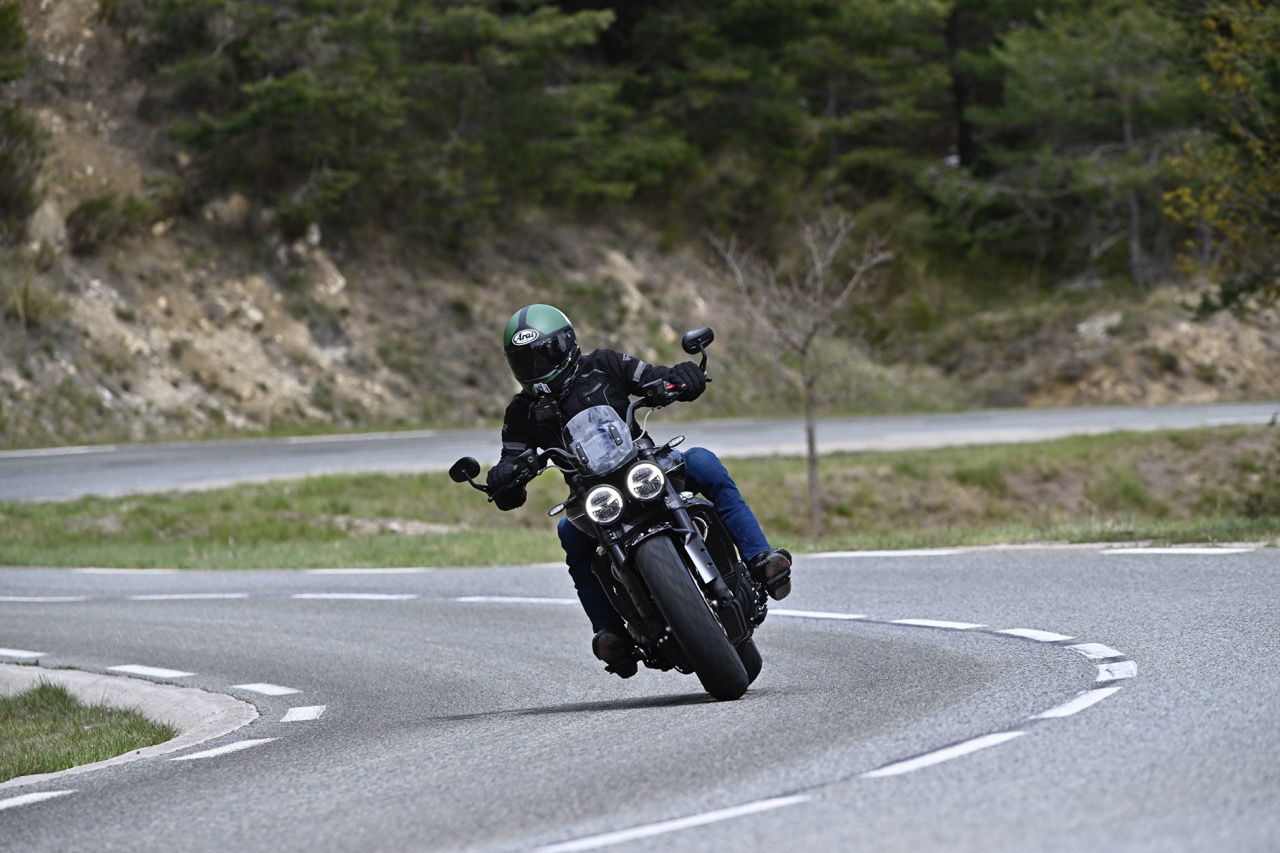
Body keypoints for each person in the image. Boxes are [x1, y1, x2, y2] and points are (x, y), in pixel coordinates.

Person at [485, 303, 792, 670]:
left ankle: (761, 559)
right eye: (524, 362)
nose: (536, 368)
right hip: (593, 495)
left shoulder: (605, 364)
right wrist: (505, 477)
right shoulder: (521, 411)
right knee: (569, 532)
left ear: (566, 344)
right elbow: (510, 459)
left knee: (703, 461)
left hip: (642, 466)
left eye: (544, 354)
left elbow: (652, 377)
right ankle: (610, 632)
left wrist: (678, 380)